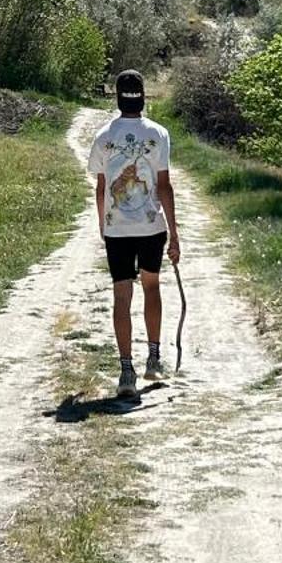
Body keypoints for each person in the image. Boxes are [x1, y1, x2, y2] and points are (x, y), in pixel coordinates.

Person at [87, 69, 180, 398]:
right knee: (152, 287)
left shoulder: (103, 137)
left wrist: (103, 225)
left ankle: (126, 370)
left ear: (117, 97)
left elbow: (101, 189)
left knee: (121, 296)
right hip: (151, 226)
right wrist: (175, 234)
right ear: (143, 96)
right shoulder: (158, 134)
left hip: (117, 229)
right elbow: (165, 186)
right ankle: (153, 358)